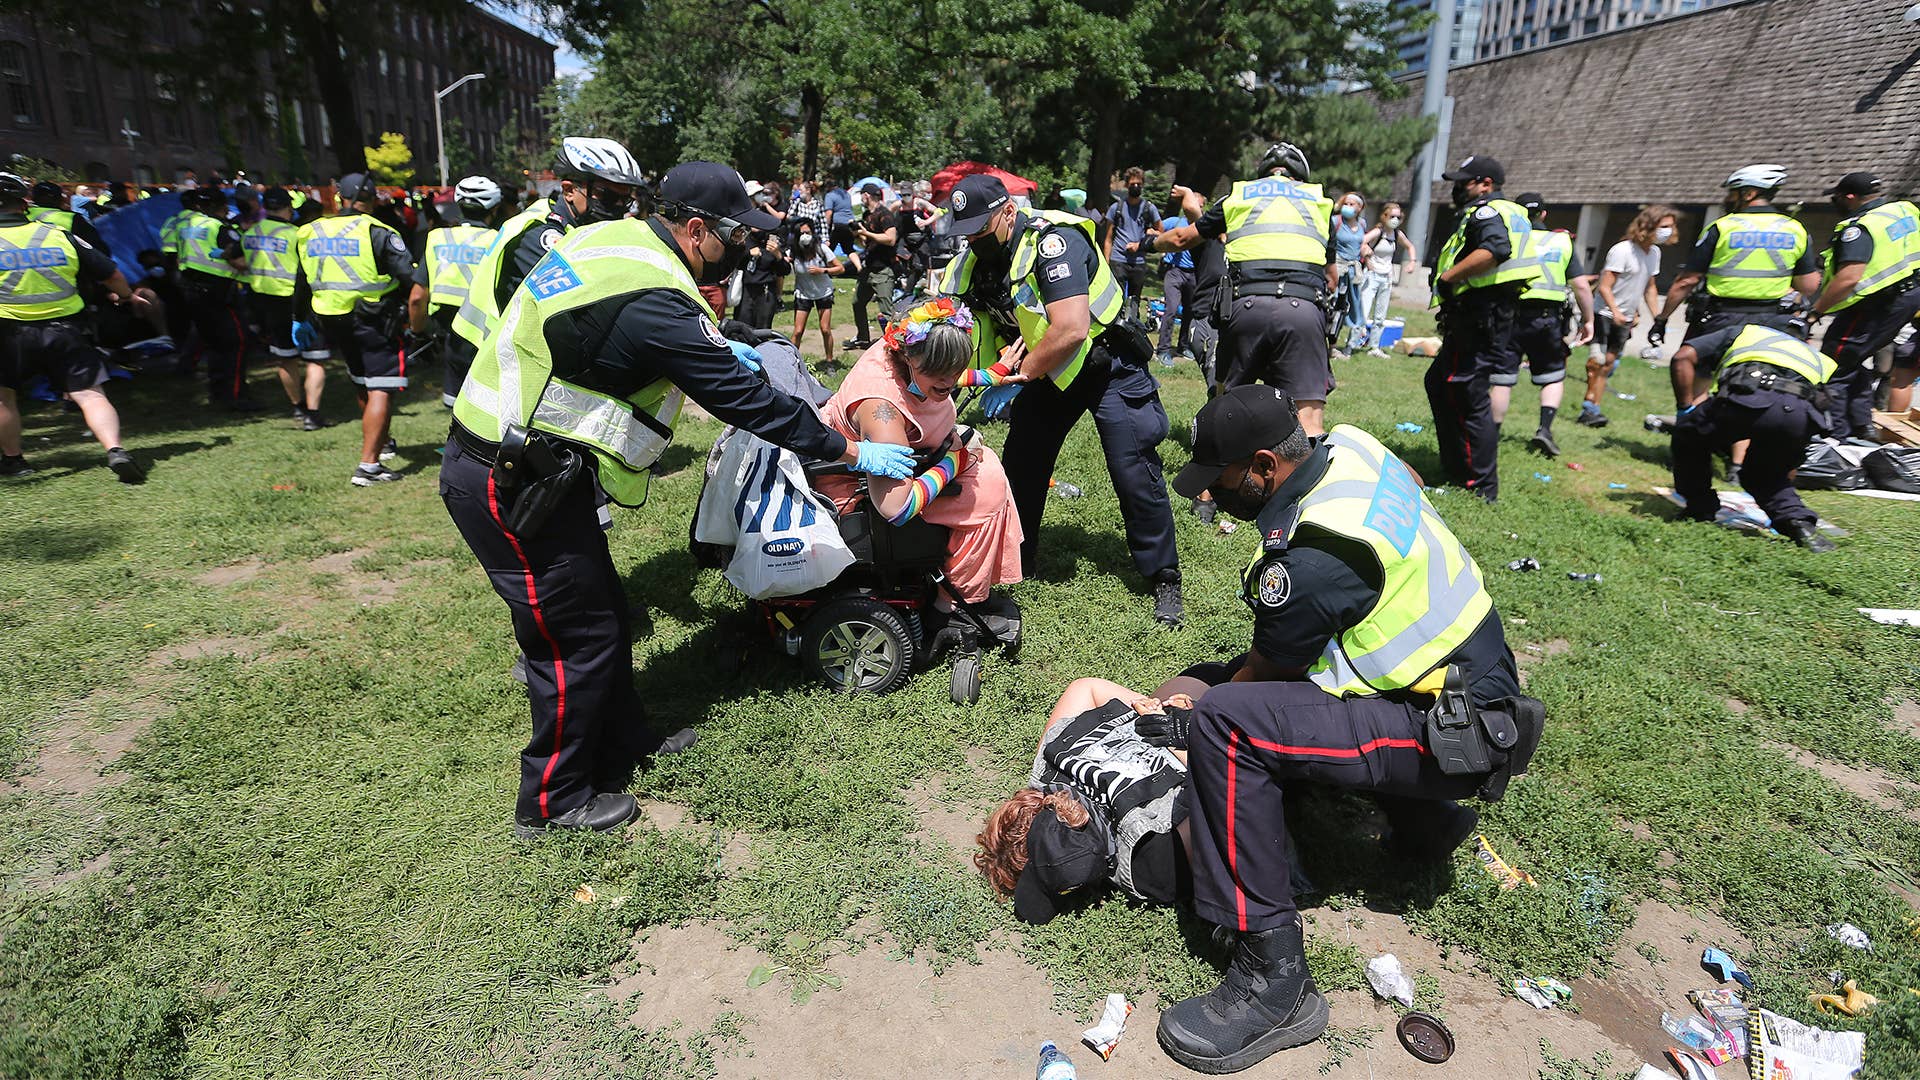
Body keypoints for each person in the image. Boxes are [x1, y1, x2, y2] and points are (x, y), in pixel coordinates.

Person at [443, 160, 917, 838]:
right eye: (738, 237)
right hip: (509, 477)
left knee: (602, 611)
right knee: (573, 638)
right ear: (696, 230)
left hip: (534, 466)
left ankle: (627, 741)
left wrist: (719, 344)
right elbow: (745, 402)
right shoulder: (657, 296)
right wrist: (848, 451)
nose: (747, 251)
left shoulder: (615, 243)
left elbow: (609, 332)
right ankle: (552, 801)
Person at [1158, 384, 1539, 1074]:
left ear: (1266, 466)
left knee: (1227, 723)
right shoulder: (1353, 449)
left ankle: (1273, 981)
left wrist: (1195, 715)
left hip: (1453, 732)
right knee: (1239, 689)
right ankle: (1427, 826)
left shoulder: (1309, 558)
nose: (1212, 498)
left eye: (1221, 482)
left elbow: (1267, 675)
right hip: (1466, 688)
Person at [939, 173, 1185, 626]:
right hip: (1047, 372)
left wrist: (1020, 375)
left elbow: (1071, 327)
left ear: (1008, 212)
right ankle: (1018, 559)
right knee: (1022, 466)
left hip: (1105, 363)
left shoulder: (1054, 243)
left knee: (1132, 468)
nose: (972, 240)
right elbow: (945, 326)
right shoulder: (971, 263)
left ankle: (1163, 574)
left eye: (979, 228)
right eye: (964, 231)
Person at [818, 298, 1023, 613]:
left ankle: (959, 584)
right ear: (908, 355)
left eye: (955, 369)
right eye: (940, 372)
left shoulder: (904, 354)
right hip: (855, 496)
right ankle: (950, 608)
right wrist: (957, 460)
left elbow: (939, 376)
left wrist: (991, 375)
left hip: (907, 464)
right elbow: (895, 508)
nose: (949, 381)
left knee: (991, 475)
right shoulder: (882, 411)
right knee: (989, 492)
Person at [976, 676, 1203, 925]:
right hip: (1200, 713)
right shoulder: (1050, 764)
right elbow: (1085, 688)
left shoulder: (1147, 865)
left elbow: (1227, 790)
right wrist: (1163, 719)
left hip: (1218, 735)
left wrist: (1180, 733)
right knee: (1212, 676)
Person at [1153, 143, 1336, 440]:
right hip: (1303, 308)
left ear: (1263, 172)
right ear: (1301, 175)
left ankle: (1215, 480)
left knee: (1228, 404)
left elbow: (1182, 239)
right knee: (1309, 419)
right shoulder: (1319, 201)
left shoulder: (1239, 195)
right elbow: (1331, 275)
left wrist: (1149, 245)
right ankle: (1305, 480)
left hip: (1245, 307)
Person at [0, 172, 149, 482]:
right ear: (23, 202)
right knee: (91, 395)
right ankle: (115, 450)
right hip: (66, 328)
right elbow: (112, 274)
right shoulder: (59, 234)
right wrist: (126, 297)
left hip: (9, 333)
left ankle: (14, 461)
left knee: (5, 398)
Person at [452, 137, 642, 354]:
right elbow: (584, 308)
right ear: (569, 191)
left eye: (625, 199)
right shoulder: (539, 233)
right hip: (479, 347)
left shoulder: (579, 226)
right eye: (607, 195)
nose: (618, 206)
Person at [1426, 155, 1540, 502]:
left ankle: (1479, 485)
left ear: (1485, 184)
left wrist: (1448, 279)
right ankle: (1456, 466)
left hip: (1479, 314)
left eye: (1464, 182)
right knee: (1439, 383)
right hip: (1486, 314)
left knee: (1466, 393)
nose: (1457, 188)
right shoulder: (1511, 212)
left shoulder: (1486, 212)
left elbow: (1495, 250)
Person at [1669, 322, 1838, 552]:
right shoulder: (1816, 357)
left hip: (1748, 399)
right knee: (1765, 474)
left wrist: (1684, 410)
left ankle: (1699, 508)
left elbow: (1682, 358)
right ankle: (1799, 525)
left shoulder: (1747, 332)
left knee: (1689, 434)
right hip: (1801, 416)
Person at [296, 172, 415, 486]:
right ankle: (369, 466)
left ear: (339, 199)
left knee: (363, 383)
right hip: (374, 318)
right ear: (373, 199)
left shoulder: (310, 231)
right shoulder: (378, 230)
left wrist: (299, 318)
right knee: (381, 387)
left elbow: (301, 282)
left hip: (332, 319)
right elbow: (408, 278)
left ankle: (382, 444)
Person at [1652, 164, 1819, 350]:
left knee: (1688, 364)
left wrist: (1662, 319)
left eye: (1732, 193)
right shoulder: (1795, 229)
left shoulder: (1722, 227)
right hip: (1772, 321)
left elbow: (1687, 281)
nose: (1727, 199)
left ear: (1748, 194)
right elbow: (1809, 286)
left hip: (1721, 318)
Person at [1810, 172, 1920, 444]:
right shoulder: (1903, 210)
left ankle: (1833, 437)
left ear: (1849, 197)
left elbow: (1849, 277)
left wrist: (1815, 312)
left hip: (1873, 303)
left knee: (1833, 364)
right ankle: (1862, 427)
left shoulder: (1859, 228)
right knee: (1854, 360)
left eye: (1836, 196)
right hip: (1907, 297)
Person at [1488, 193, 1595, 458]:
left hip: (1510, 314)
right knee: (1553, 375)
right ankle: (1544, 429)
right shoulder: (1561, 241)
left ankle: (1491, 434)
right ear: (1544, 215)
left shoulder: (1510, 237)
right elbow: (1581, 285)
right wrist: (1589, 319)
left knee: (1502, 378)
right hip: (1547, 318)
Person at [407, 175, 501, 409]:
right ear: (495, 208)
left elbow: (417, 297)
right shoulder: (498, 240)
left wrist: (417, 333)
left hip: (449, 330)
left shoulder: (437, 238)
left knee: (455, 400)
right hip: (485, 332)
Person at [1580, 205, 1677, 428]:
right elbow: (1605, 287)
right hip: (1604, 313)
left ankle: (1593, 405)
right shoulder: (1622, 250)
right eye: (1664, 227)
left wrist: (1658, 317)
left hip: (1625, 318)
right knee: (1599, 362)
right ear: (1648, 225)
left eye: (1671, 227)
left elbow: (1650, 287)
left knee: (1610, 364)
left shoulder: (1654, 253)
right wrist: (1615, 311)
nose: (1669, 231)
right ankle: (1589, 408)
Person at [243, 187, 326, 429]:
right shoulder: (296, 234)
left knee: (285, 358)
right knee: (315, 359)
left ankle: (298, 408)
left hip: (266, 302)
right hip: (299, 301)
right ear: (289, 208)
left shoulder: (249, 232)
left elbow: (238, 258)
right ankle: (313, 413)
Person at [175, 187, 258, 409]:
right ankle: (236, 395)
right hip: (219, 293)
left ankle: (218, 392)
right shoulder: (220, 228)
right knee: (237, 342)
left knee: (214, 344)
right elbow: (237, 261)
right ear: (223, 207)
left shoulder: (185, 226)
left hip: (192, 291)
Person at [1357, 202, 1417, 358]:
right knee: (1363, 312)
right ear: (1384, 216)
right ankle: (1353, 344)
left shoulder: (1397, 234)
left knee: (1380, 316)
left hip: (1386, 277)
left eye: (1398, 217)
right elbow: (1361, 241)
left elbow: (1410, 247)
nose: (1395, 220)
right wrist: (1368, 256)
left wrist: (1412, 262)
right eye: (1392, 216)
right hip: (1371, 276)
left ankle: (1374, 347)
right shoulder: (1378, 232)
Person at [1102, 167, 1162, 322]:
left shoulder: (1149, 208)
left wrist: (1143, 241)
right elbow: (1108, 238)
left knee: (1134, 300)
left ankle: (1132, 326)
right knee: (1117, 299)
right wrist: (1106, 262)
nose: (1136, 187)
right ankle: (1115, 326)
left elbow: (1161, 233)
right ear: (1127, 185)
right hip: (1118, 260)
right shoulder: (1116, 208)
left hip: (1139, 261)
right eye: (1133, 184)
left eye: (1139, 184)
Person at [846, 183, 898, 350]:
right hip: (868, 269)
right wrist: (857, 235)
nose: (861, 198)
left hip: (883, 270)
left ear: (867, 195)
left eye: (862, 195)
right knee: (857, 303)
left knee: (887, 311)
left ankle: (896, 344)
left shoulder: (885, 214)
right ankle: (862, 338)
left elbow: (891, 239)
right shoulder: (868, 215)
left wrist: (867, 233)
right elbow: (866, 243)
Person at [789, 219, 844, 355]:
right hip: (803, 293)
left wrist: (822, 270)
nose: (805, 236)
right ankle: (792, 360)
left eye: (807, 232)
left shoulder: (822, 249)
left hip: (823, 292)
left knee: (825, 329)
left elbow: (840, 268)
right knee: (798, 331)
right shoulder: (794, 251)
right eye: (801, 233)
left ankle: (829, 361)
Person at [1330, 192, 1368, 354]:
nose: (1348, 207)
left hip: (1353, 272)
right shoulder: (1335, 221)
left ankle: (1350, 346)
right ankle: (1330, 345)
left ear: (1359, 208)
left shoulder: (1362, 224)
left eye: (1352, 204)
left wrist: (1366, 252)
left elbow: (1362, 244)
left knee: (1353, 308)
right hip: (1337, 269)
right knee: (1333, 306)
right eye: (1346, 203)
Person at [1155, 228, 1196, 366]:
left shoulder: (1202, 223)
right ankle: (1163, 350)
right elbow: (1158, 229)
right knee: (1171, 309)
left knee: (1190, 311)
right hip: (1174, 271)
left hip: (1193, 273)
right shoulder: (1175, 222)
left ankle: (1183, 346)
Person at [736, 230, 789, 330]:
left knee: (763, 330)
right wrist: (748, 253)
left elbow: (785, 270)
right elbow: (732, 263)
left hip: (765, 292)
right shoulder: (743, 240)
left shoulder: (772, 242)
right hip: (745, 292)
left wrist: (778, 254)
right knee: (743, 329)